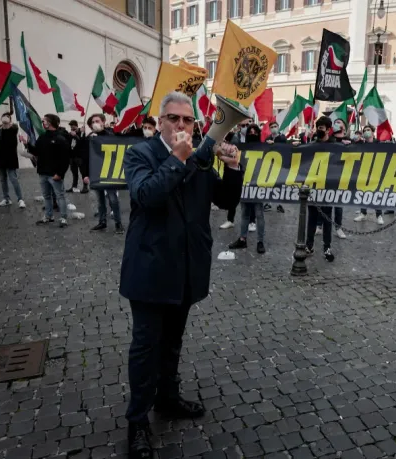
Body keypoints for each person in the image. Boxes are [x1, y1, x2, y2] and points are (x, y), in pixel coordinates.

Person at [120, 92, 242, 459]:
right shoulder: (141, 153)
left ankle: (168, 399)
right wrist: (178, 158)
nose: (181, 125)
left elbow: (225, 201)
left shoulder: (201, 160)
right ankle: (137, 420)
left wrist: (233, 167)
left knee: (173, 341)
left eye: (188, 121)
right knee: (145, 349)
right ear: (160, 122)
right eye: (173, 118)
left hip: (187, 268)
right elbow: (146, 196)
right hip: (150, 270)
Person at [22, 114, 70, 227]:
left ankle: (63, 218)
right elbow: (36, 151)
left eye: (44, 121)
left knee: (60, 196)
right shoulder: (42, 136)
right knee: (47, 196)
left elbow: (65, 159)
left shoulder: (61, 138)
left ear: (51, 122)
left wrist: (60, 173)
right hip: (43, 172)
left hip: (54, 174)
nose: (42, 122)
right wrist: (27, 143)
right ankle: (49, 216)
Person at [80, 114, 125, 234]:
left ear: (103, 122)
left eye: (97, 121)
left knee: (113, 199)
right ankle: (102, 221)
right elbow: (84, 158)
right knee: (100, 201)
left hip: (109, 174)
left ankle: (118, 223)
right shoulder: (89, 139)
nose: (95, 123)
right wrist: (85, 174)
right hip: (95, 174)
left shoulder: (111, 136)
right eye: (93, 122)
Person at [229, 124, 267, 253]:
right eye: (250, 131)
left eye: (254, 131)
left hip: (258, 185)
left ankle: (260, 241)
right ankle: (242, 239)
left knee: (259, 214)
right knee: (245, 214)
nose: (252, 133)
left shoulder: (264, 148)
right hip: (245, 185)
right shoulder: (241, 148)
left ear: (258, 133)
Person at [305, 116, 338, 262]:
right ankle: (309, 245)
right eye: (318, 128)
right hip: (314, 186)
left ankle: (327, 247)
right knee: (311, 218)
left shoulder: (336, 145)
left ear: (328, 130)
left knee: (327, 219)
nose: (319, 130)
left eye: (322, 128)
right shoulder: (312, 144)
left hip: (328, 187)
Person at [0, 112, 25, 209]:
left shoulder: (13, 129)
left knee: (13, 179)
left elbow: (12, 132)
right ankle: (6, 199)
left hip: (10, 159)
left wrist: (8, 125)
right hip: (0, 159)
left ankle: (20, 199)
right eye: (3, 117)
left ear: (10, 120)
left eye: (7, 118)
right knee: (3, 180)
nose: (4, 119)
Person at [355, 125, 385, 224]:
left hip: (376, 172)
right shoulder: (361, 144)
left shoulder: (379, 144)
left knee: (376, 193)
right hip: (363, 171)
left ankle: (379, 215)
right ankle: (363, 213)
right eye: (365, 130)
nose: (366, 132)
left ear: (373, 132)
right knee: (363, 192)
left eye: (368, 130)